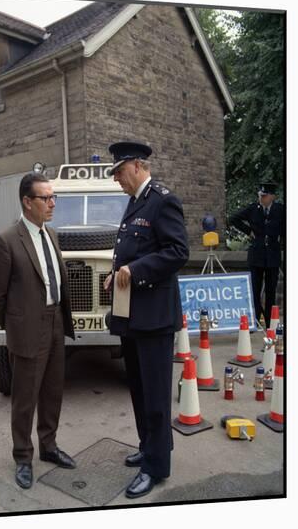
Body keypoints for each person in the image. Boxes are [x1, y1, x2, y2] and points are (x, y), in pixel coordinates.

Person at [103, 142, 189, 499]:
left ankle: (156, 466)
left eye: (120, 173)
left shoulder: (162, 200)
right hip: (132, 315)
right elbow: (130, 249)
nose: (118, 180)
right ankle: (147, 446)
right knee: (138, 389)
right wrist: (115, 273)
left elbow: (177, 251)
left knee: (155, 394)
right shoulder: (136, 200)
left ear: (137, 165)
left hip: (154, 317)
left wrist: (134, 271)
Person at [0, 172, 76, 490]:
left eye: (54, 198)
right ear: (27, 201)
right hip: (26, 329)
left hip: (54, 323)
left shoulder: (50, 234)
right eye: (46, 198)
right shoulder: (7, 240)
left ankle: (48, 447)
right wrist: (15, 323)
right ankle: (23, 457)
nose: (52, 204)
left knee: (53, 391)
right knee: (25, 399)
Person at [229, 182, 285, 327]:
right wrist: (249, 231)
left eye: (264, 196)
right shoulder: (253, 209)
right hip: (257, 255)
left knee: (271, 291)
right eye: (260, 195)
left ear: (272, 197)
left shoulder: (280, 210)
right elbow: (234, 218)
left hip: (272, 255)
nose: (261, 198)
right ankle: (254, 321)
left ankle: (270, 323)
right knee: (254, 289)